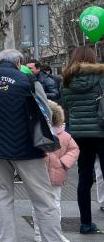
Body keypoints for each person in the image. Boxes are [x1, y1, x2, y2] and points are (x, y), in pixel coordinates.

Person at [0, 49, 64, 242]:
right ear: (19, 62)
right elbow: (45, 111)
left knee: (1, 200)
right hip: (27, 148)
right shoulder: (27, 80)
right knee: (44, 200)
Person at [59, 46, 104, 234]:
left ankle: (85, 223)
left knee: (84, 178)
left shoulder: (66, 80)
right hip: (102, 132)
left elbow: (65, 106)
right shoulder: (101, 77)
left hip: (79, 134)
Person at [32, 100, 78, 242]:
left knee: (41, 204)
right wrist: (62, 163)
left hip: (43, 174)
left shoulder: (39, 134)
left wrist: (61, 162)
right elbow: (74, 149)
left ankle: (44, 233)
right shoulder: (64, 135)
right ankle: (45, 233)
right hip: (52, 174)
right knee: (53, 205)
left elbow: (74, 149)